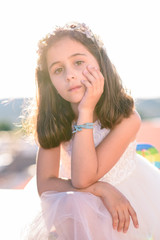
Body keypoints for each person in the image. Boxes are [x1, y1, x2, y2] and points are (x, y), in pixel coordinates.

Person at [24, 22, 160, 240]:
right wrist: (102, 189)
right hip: (80, 205)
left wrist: (85, 109)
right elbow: (45, 184)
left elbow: (82, 178)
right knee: (74, 202)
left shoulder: (126, 118)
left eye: (78, 62)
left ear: (100, 62)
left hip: (126, 206)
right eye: (58, 69)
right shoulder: (54, 118)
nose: (70, 75)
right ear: (49, 81)